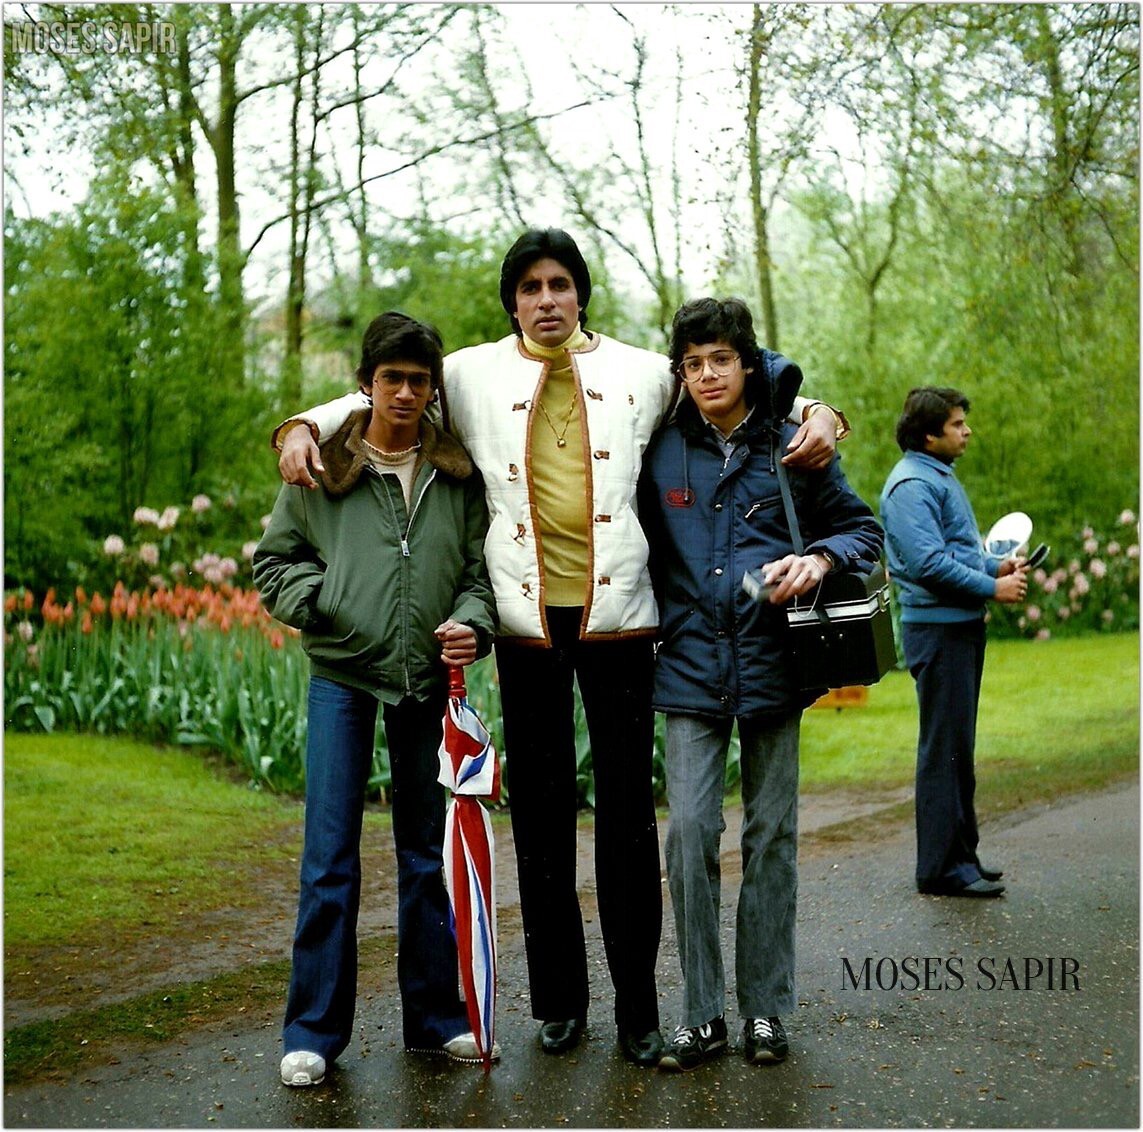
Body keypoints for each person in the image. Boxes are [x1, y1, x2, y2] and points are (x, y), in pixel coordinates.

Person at [271, 228, 849, 1066]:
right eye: (531, 286)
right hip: (523, 623)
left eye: (561, 285)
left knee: (623, 821)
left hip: (622, 619)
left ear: (581, 295)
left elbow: (745, 377)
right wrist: (300, 422)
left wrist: (819, 411)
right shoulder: (467, 372)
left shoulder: (647, 371)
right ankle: (559, 1003)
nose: (546, 299)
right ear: (512, 299)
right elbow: (377, 396)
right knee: (540, 820)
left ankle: (639, 1011)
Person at [637, 298, 883, 1072]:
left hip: (776, 667)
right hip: (685, 668)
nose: (706, 374)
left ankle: (766, 1012)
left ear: (747, 364)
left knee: (771, 838)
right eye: (692, 363)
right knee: (688, 836)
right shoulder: (658, 448)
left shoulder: (794, 446)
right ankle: (702, 1015)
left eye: (720, 359)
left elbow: (861, 528)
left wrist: (817, 559)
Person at [253, 312, 498, 1087]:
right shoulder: (320, 470)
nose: (403, 391)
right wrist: (323, 602)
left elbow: (476, 575)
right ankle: (313, 1034)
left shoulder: (457, 477)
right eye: (390, 377)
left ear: (431, 392)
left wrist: (473, 623)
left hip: (423, 685)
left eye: (417, 380)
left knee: (427, 859)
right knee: (329, 859)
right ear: (365, 385)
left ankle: (437, 1021)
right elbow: (274, 564)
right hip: (342, 681)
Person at [879, 387, 1027, 899]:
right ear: (929, 434)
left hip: (957, 626)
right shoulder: (911, 487)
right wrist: (994, 588)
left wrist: (995, 566)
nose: (966, 431)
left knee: (958, 748)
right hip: (937, 629)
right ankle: (940, 869)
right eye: (958, 424)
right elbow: (927, 565)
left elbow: (957, 553)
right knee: (944, 749)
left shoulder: (937, 477)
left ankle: (962, 857)